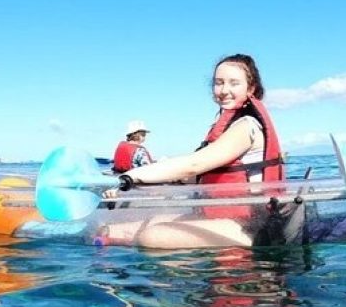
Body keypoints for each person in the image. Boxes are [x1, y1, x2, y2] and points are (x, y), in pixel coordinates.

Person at [98, 53, 287, 249]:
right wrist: (136, 183)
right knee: (112, 230)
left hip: (252, 227)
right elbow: (198, 176)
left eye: (234, 83)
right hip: (220, 217)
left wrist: (129, 176)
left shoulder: (246, 126)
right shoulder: (225, 127)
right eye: (219, 83)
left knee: (153, 236)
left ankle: (187, 280)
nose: (224, 90)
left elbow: (194, 165)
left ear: (251, 88)